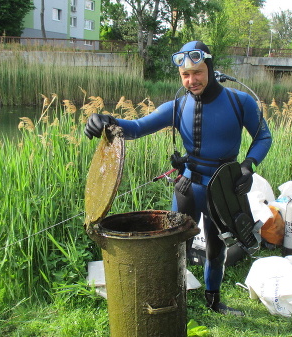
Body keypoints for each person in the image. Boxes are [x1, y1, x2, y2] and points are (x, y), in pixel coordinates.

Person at [85, 41, 272, 315]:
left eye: (197, 72)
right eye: (185, 75)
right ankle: (170, 303)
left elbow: (263, 137)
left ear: (209, 67)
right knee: (174, 247)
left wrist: (248, 165)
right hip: (188, 185)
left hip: (223, 189)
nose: (191, 80)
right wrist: (105, 119)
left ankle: (214, 302)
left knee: (216, 247)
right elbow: (136, 128)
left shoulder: (239, 101)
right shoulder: (176, 106)